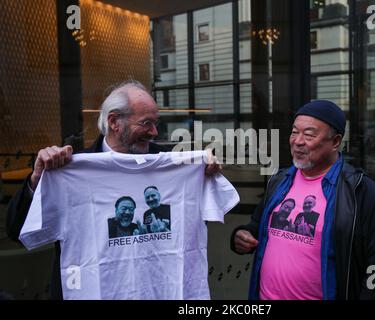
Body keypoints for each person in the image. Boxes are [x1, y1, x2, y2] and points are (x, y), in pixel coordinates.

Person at [6, 79, 220, 299]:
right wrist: (37, 180)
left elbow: (189, 226)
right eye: (146, 123)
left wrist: (202, 176)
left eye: (156, 123)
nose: (155, 132)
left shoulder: (172, 166)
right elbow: (18, 230)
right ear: (114, 121)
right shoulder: (72, 171)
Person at [231, 100, 375, 300]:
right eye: (294, 132)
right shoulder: (279, 181)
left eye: (309, 134)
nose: (298, 141)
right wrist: (242, 235)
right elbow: (257, 225)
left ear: (335, 142)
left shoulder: (360, 191)